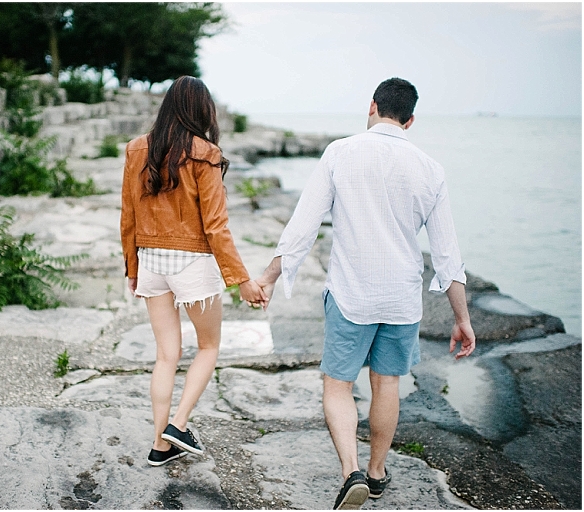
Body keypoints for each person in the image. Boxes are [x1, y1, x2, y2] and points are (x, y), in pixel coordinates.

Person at [255, 77, 476, 509]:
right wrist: (462, 319)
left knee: (337, 384)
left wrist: (268, 277)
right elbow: (448, 255)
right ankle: (376, 474)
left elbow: (304, 225)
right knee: (386, 383)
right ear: (410, 120)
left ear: (372, 106)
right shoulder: (431, 169)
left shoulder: (341, 152)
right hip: (401, 299)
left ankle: (350, 471)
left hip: (351, 294)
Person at [120, 76, 267, 468]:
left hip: (151, 262)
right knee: (208, 347)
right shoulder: (206, 154)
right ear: (203, 110)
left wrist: (132, 268)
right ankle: (178, 425)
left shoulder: (138, 149)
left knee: (166, 355)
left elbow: (128, 217)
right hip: (191, 265)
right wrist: (242, 281)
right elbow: (216, 226)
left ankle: (159, 446)